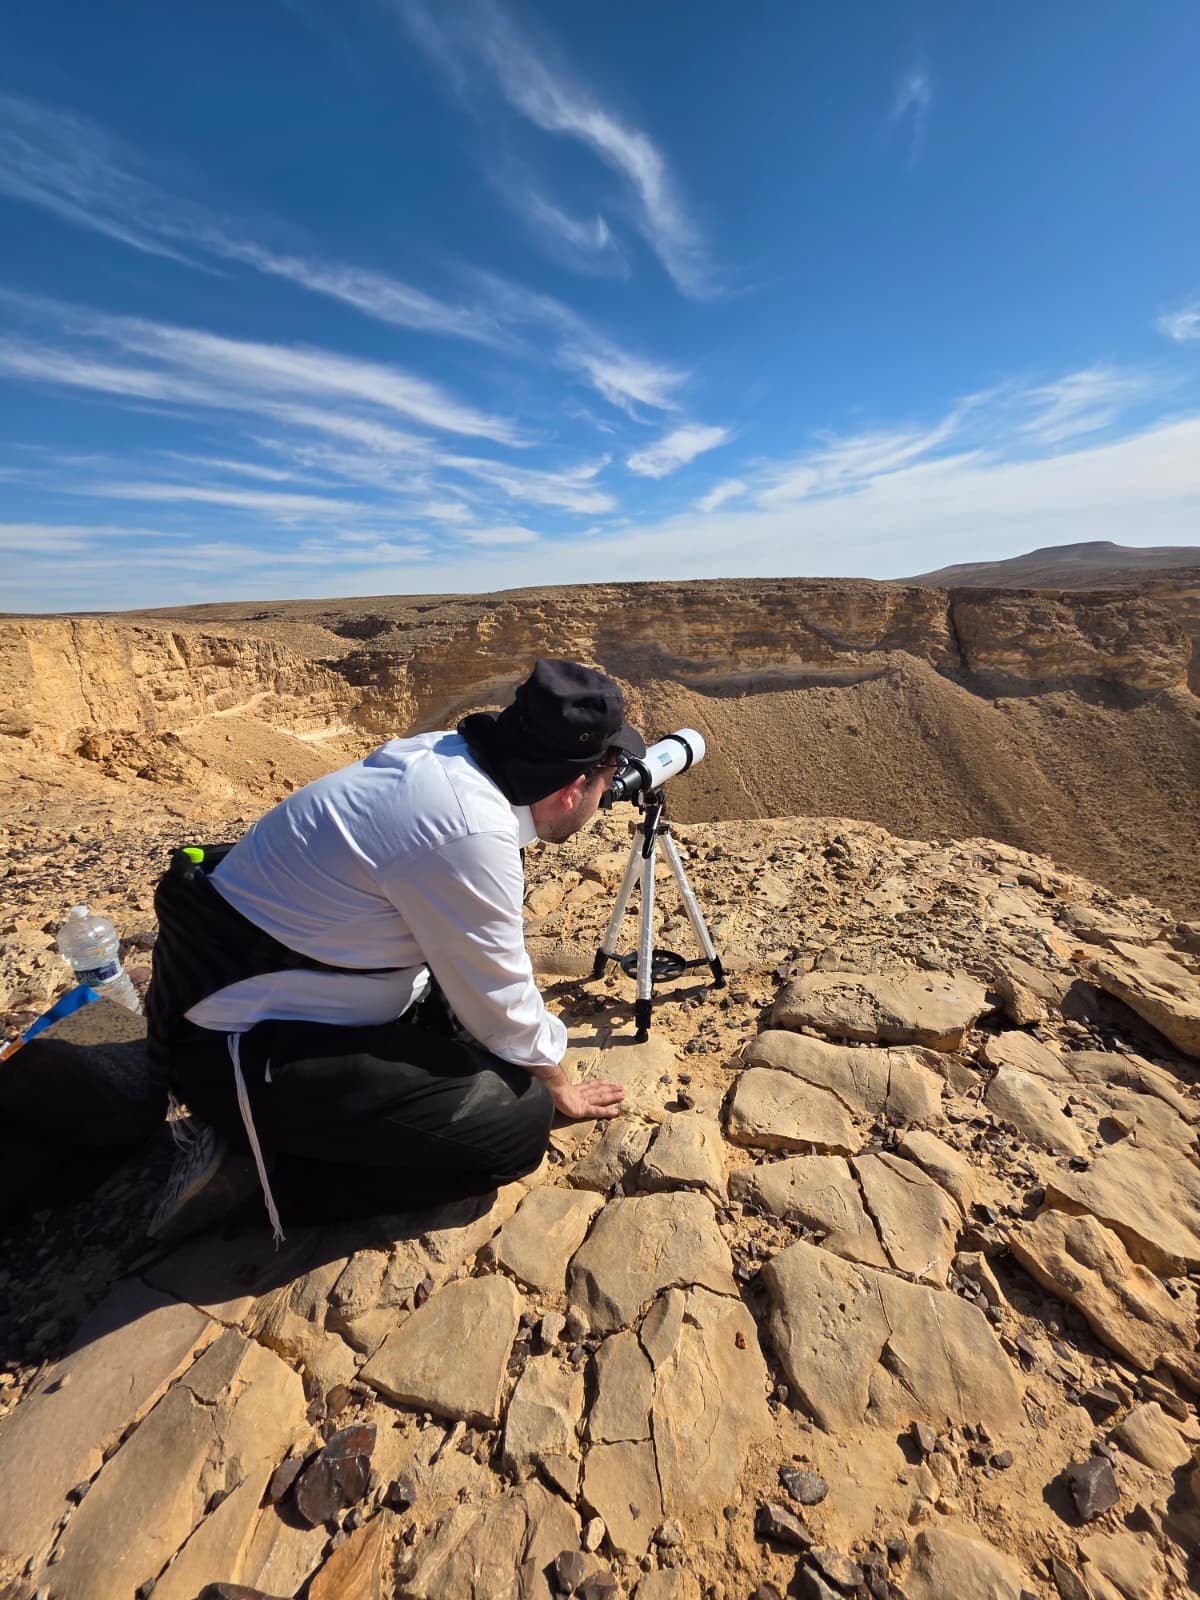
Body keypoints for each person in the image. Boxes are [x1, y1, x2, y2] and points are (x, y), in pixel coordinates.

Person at [145, 659, 641, 1244]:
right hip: (237, 1046)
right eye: (608, 778)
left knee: (487, 1055)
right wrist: (560, 1085)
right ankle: (262, 1175)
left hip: (268, 982)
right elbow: (501, 1005)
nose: (609, 793)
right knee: (518, 1126)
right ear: (569, 790)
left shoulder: (450, 756)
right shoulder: (468, 832)